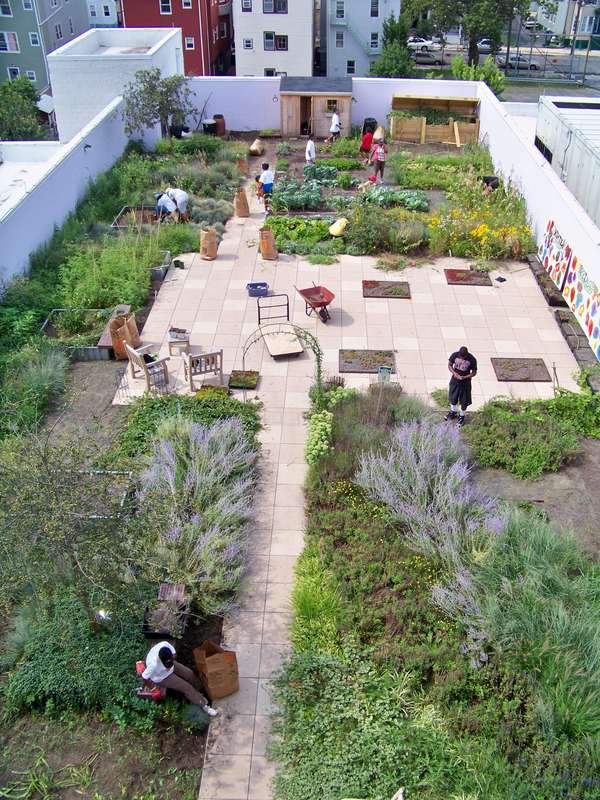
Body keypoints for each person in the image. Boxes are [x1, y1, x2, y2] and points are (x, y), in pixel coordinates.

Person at [142, 641, 218, 716]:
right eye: (166, 665)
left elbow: (175, 655)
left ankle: (202, 690)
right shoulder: (153, 664)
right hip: (162, 677)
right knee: (186, 687)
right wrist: (152, 689)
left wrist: (170, 664)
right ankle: (204, 705)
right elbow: (144, 677)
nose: (168, 667)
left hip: (171, 665)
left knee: (189, 674)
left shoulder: (165, 645)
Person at [445, 346, 478, 427]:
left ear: (467, 354)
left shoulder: (472, 359)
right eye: (461, 357)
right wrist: (454, 373)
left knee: (464, 400)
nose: (462, 358)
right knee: (453, 397)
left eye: (464, 357)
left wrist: (465, 377)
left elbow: (474, 373)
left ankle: (462, 416)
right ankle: (453, 412)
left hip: (465, 382)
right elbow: (449, 365)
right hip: (455, 380)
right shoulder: (455, 355)